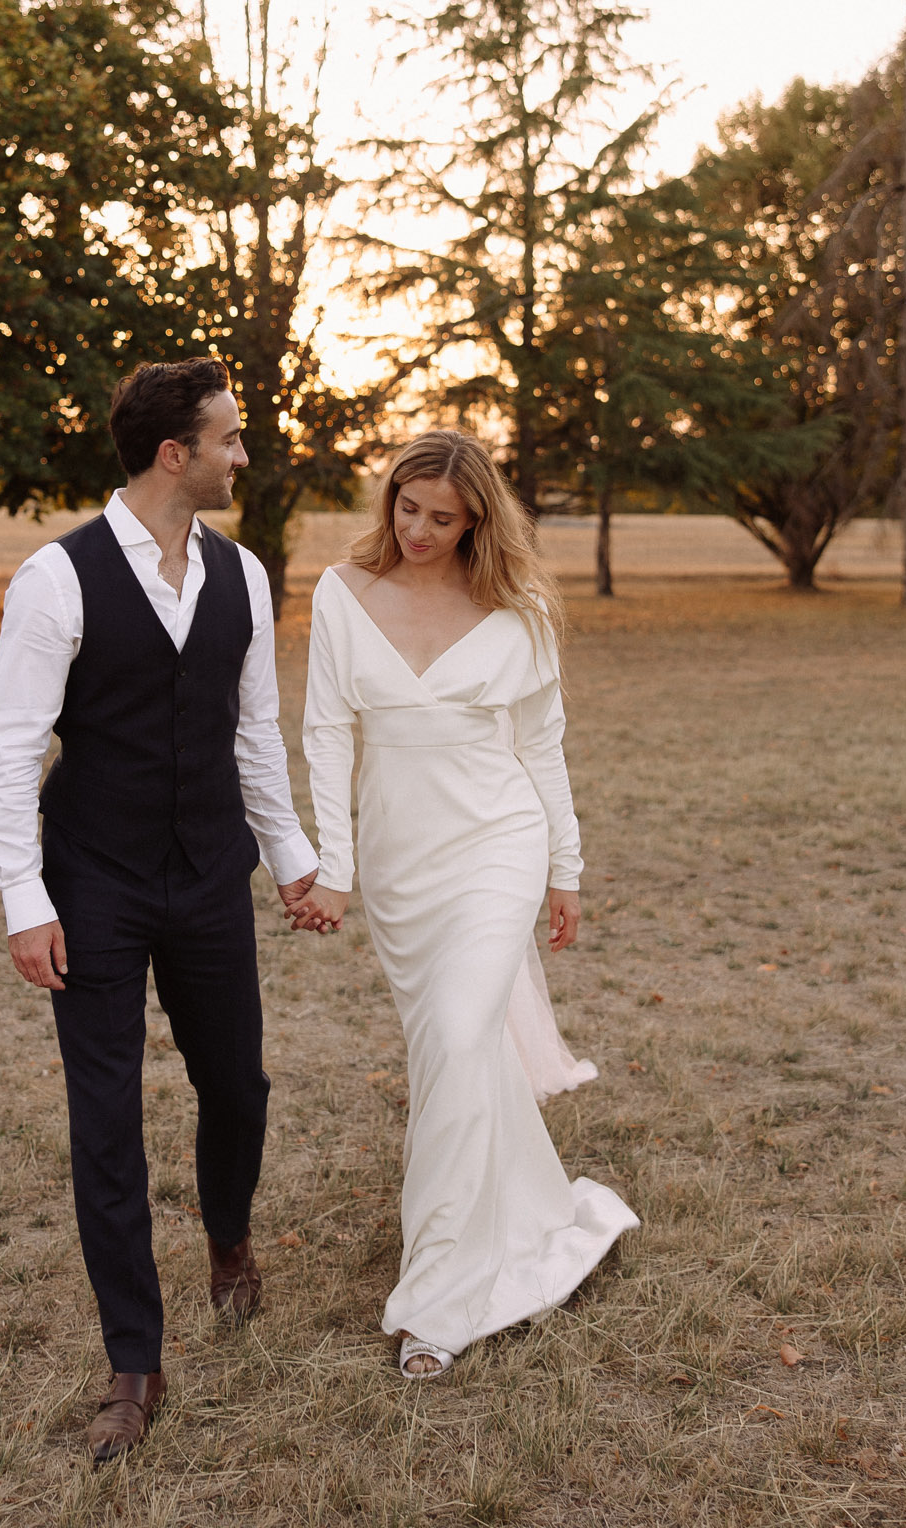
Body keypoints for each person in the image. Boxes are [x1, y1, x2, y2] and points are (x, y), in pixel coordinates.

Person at [0, 359, 318, 1461]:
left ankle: (228, 1239)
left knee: (240, 1083)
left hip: (212, 870)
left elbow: (254, 733)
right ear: (176, 453)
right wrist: (25, 898)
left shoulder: (245, 576)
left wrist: (292, 861)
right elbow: (12, 747)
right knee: (106, 1119)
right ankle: (135, 1357)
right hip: (96, 883)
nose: (242, 453)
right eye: (229, 437)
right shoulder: (56, 578)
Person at [288, 429, 638, 1378]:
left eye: (442, 518)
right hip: (402, 865)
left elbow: (542, 747)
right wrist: (336, 864)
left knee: (454, 1029)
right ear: (388, 499)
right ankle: (529, 1212)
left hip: (498, 842)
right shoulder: (340, 593)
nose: (419, 530)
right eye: (407, 508)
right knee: (455, 1049)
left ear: (476, 518)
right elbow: (325, 734)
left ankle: (436, 1302)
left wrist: (563, 867)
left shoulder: (515, 607)